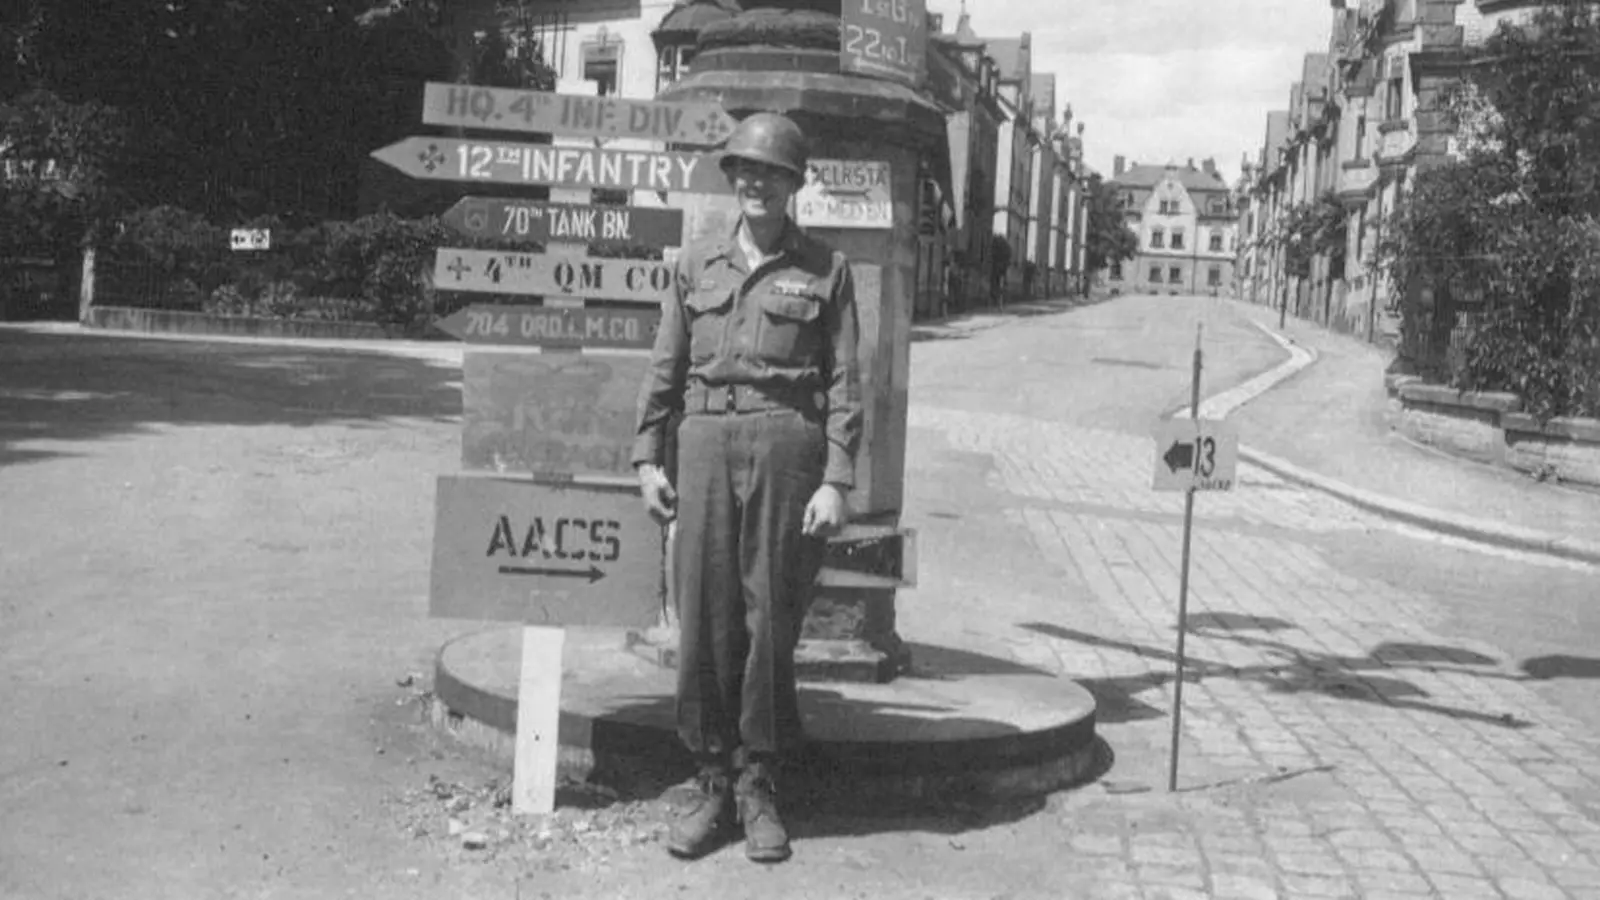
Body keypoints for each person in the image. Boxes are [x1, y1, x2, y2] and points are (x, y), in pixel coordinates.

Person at [631, 111, 862, 864]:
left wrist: (836, 479)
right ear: (732, 179)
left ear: (795, 184)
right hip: (703, 440)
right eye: (746, 170)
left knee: (770, 618)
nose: (757, 183)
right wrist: (647, 459)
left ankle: (759, 783)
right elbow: (665, 366)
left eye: (773, 172)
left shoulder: (827, 269)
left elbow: (846, 384)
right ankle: (710, 781)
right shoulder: (695, 263)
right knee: (704, 612)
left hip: (786, 444)